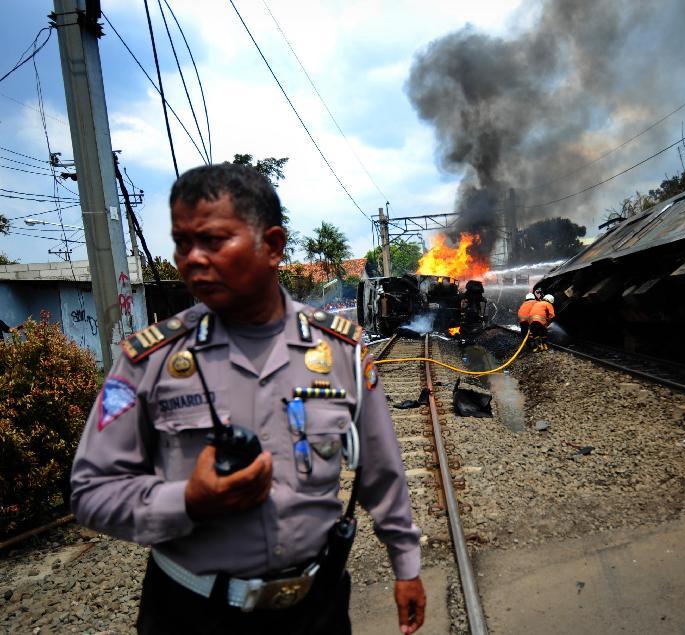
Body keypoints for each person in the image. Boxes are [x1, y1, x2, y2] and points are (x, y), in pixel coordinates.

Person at [70, 163, 426, 635]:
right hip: (191, 615)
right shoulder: (149, 358)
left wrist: (406, 564)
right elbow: (91, 491)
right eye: (182, 243)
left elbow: (382, 470)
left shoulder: (342, 351)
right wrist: (188, 502)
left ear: (273, 246)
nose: (192, 259)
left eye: (214, 241)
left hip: (315, 612)